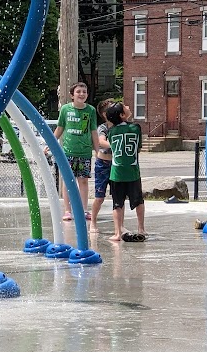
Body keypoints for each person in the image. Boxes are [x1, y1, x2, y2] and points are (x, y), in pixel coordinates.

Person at [52, 82, 99, 221]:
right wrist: (51, 143)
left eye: (84, 92)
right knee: (68, 181)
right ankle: (67, 210)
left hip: (84, 152)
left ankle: (84, 210)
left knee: (83, 181)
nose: (82, 94)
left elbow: (94, 131)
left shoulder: (90, 110)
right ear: (72, 95)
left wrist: (97, 150)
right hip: (68, 151)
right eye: (78, 92)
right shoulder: (66, 109)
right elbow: (60, 128)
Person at [106, 101, 147, 243]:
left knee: (117, 203)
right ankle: (141, 229)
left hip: (116, 173)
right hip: (133, 171)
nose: (129, 107)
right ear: (123, 115)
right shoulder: (136, 128)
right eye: (125, 107)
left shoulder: (111, 132)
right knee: (138, 201)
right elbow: (139, 148)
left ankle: (117, 233)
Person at [89, 98, 115, 234]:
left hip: (116, 164)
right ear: (105, 114)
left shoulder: (121, 126)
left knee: (118, 197)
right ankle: (93, 221)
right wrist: (116, 146)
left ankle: (119, 226)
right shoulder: (103, 127)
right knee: (99, 197)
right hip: (103, 164)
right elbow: (101, 142)